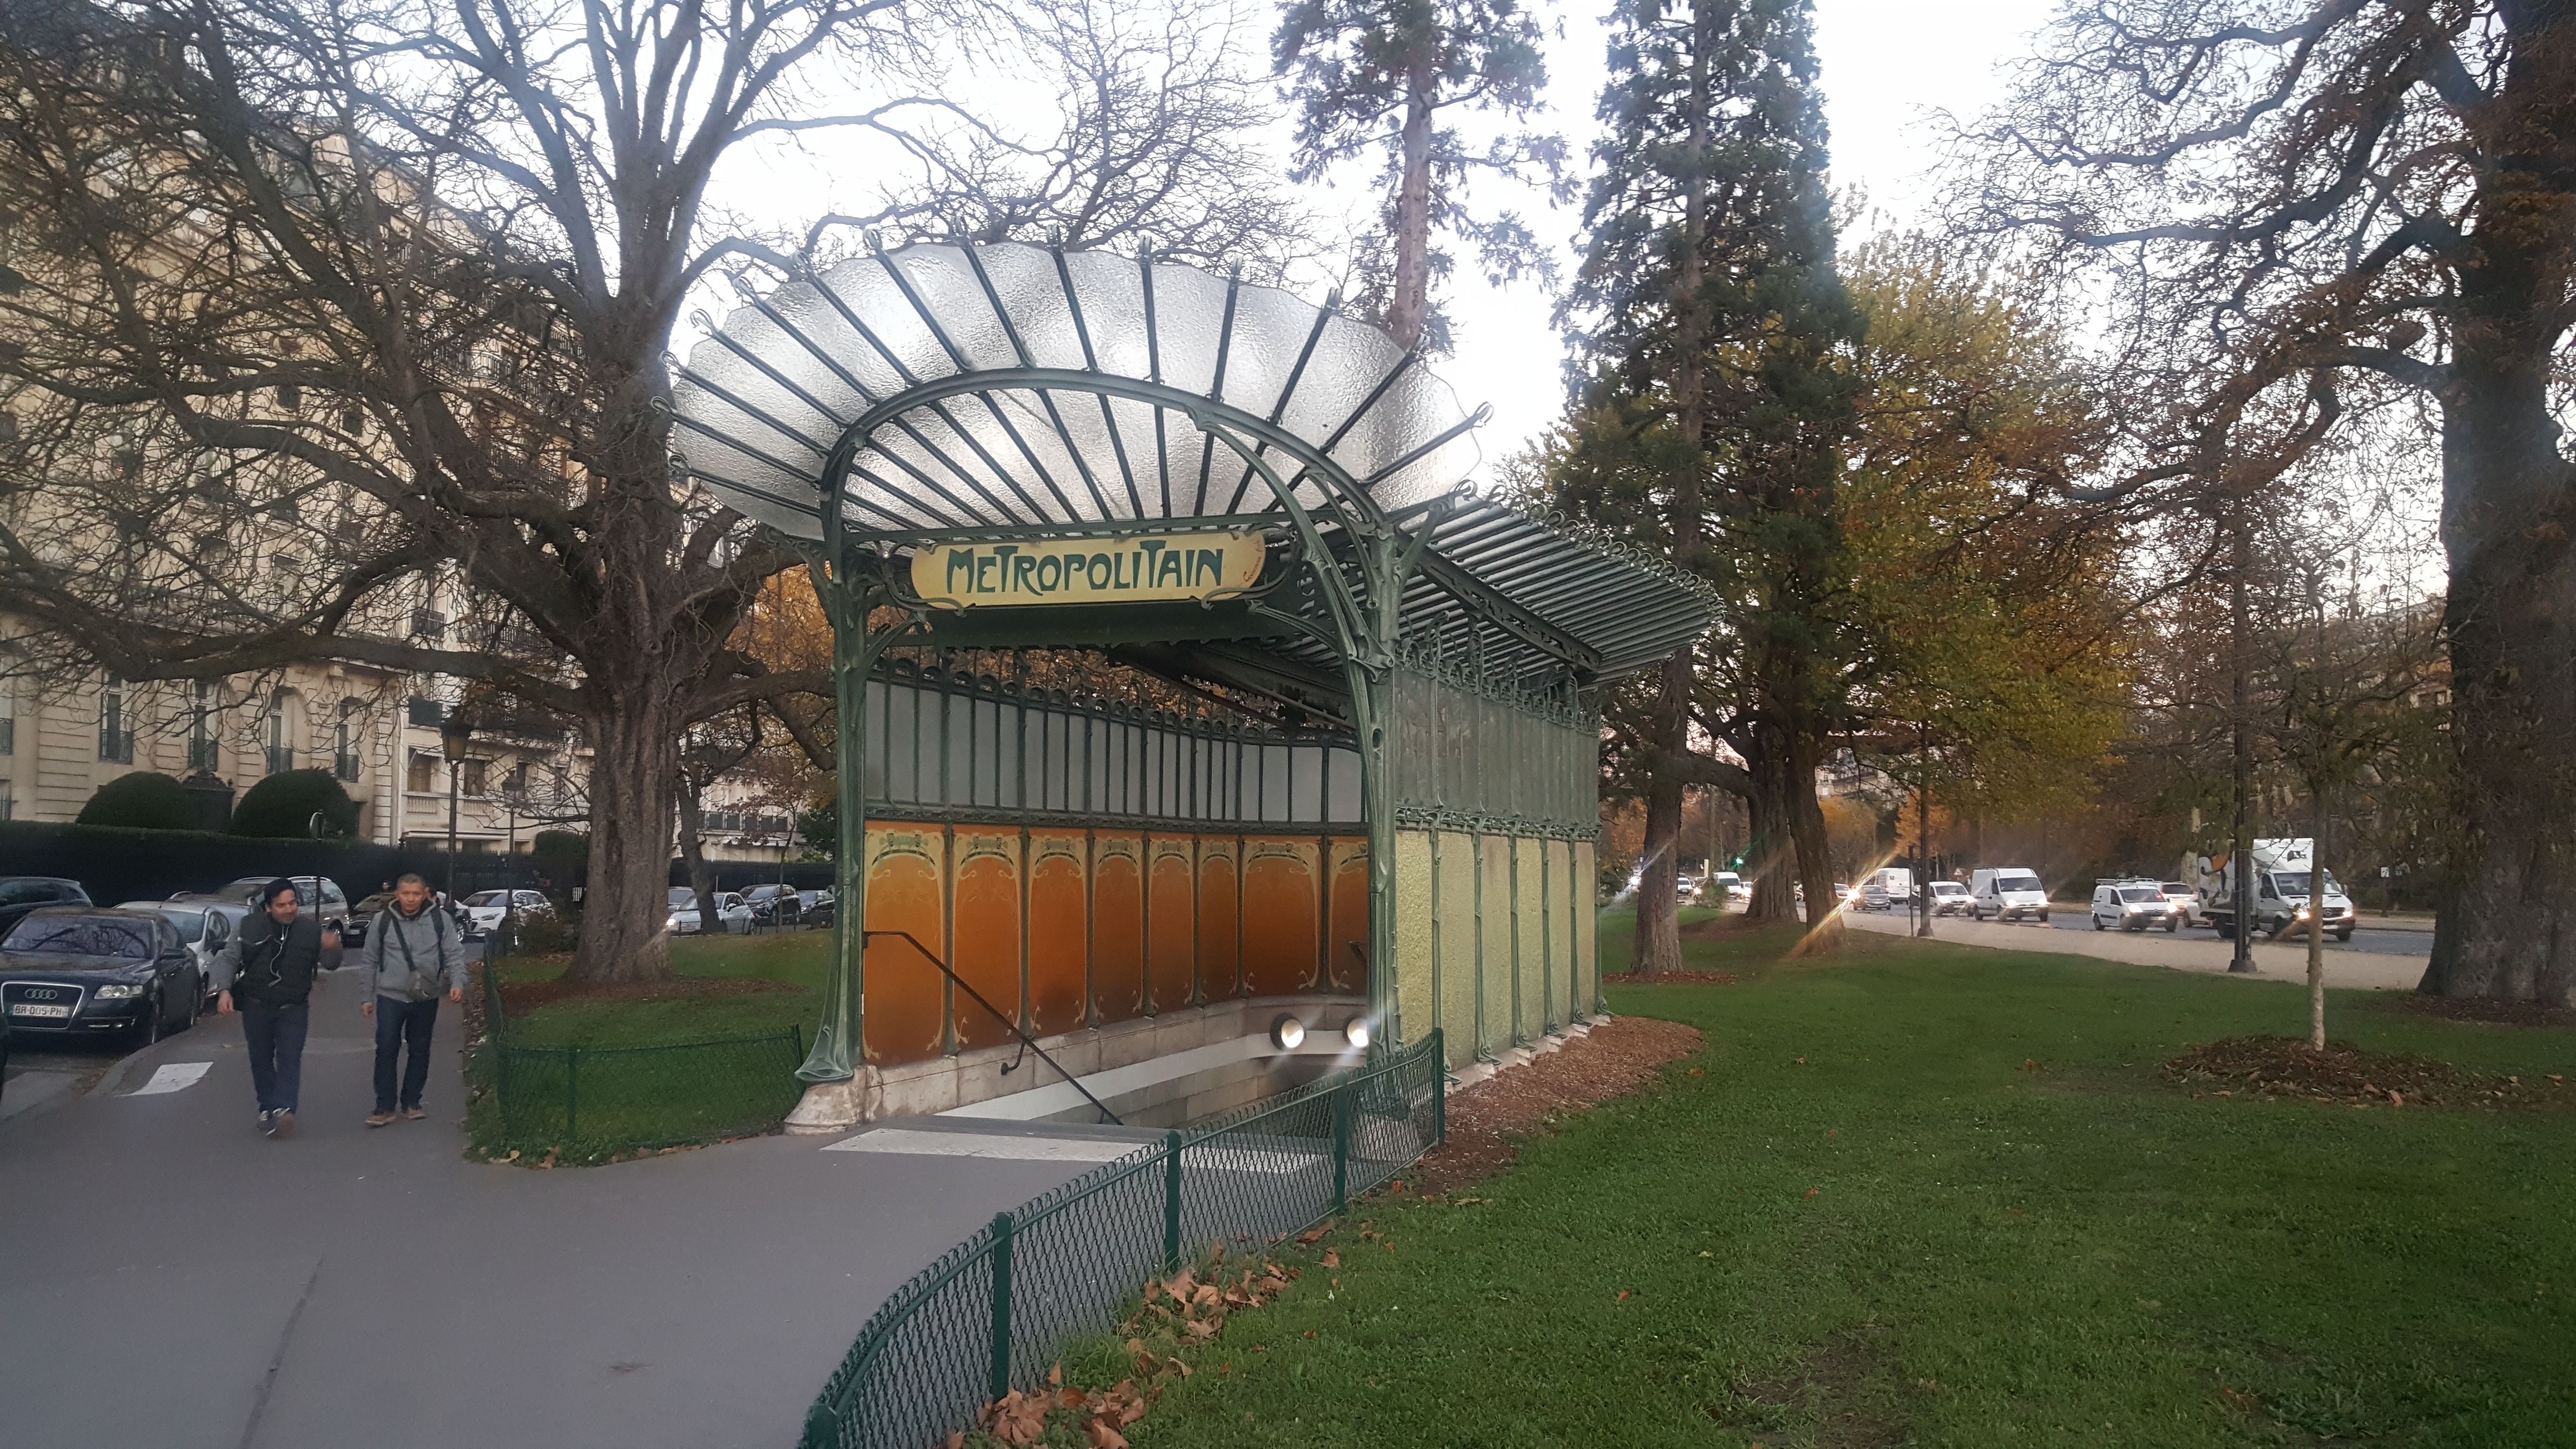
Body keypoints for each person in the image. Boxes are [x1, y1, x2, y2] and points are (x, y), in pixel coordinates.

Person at [214, 878, 341, 1138]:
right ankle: (267, 1107)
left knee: (289, 1058)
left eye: (293, 903)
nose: (289, 909)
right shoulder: (248, 926)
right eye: (281, 905)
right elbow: (229, 959)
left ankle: (285, 1109)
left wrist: (334, 947)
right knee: (260, 1059)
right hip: (256, 1006)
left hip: (293, 1006)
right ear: (269, 908)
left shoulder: (311, 930)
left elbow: (331, 965)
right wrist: (224, 990)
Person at [358, 873, 466, 1127]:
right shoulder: (382, 921)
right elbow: (369, 960)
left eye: (416, 894)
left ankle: (412, 1102)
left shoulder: (440, 920)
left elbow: (454, 954)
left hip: (426, 995)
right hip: (390, 995)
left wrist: (459, 983)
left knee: (420, 1049)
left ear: (426, 894)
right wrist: (366, 996)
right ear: (397, 895)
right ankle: (385, 1106)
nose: (410, 899)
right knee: (386, 1048)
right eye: (405, 894)